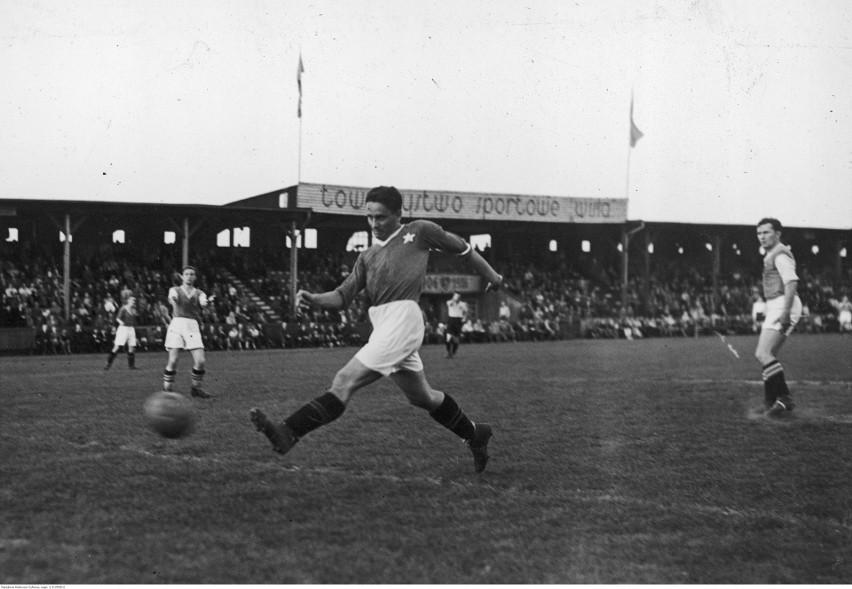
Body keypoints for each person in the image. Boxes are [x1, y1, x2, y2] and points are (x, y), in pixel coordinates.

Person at [250, 186, 503, 473]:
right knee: (422, 397)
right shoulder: (367, 256)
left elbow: (464, 249)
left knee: (344, 380)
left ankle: (288, 431)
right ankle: (475, 434)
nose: (373, 224)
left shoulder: (419, 231)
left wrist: (493, 276)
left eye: (380, 218)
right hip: (383, 325)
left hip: (403, 318)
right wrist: (315, 298)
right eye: (368, 218)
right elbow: (343, 296)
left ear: (398, 215)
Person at [754, 218, 802, 417]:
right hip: (777, 305)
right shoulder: (773, 254)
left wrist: (785, 312)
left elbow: (791, 283)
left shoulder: (780, 254)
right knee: (766, 354)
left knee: (764, 354)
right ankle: (771, 402)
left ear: (777, 234)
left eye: (766, 232)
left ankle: (783, 398)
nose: (762, 237)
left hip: (784, 305)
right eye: (759, 233)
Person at [162, 266, 214, 398]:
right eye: (186, 274)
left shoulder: (199, 293)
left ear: (195, 277)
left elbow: (203, 303)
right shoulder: (175, 290)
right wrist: (173, 300)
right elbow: (172, 297)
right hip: (177, 323)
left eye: (192, 274)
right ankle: (167, 390)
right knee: (173, 360)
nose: (189, 276)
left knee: (201, 361)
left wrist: (207, 302)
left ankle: (196, 388)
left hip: (192, 325)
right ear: (182, 276)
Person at [104, 295, 139, 370]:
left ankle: (131, 366)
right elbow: (117, 318)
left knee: (131, 346)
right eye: (132, 300)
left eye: (134, 300)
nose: (134, 302)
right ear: (128, 301)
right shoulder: (123, 308)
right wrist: (121, 322)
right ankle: (108, 364)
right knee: (117, 346)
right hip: (123, 329)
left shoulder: (134, 309)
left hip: (131, 328)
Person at [445, 292, 468, 358]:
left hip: (458, 321)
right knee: (448, 337)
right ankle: (449, 352)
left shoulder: (463, 304)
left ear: (460, 297)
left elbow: (465, 312)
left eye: (458, 296)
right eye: (456, 296)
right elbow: (451, 304)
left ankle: (454, 351)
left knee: (456, 338)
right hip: (451, 320)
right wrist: (454, 299)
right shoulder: (449, 302)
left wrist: (464, 319)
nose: (457, 298)